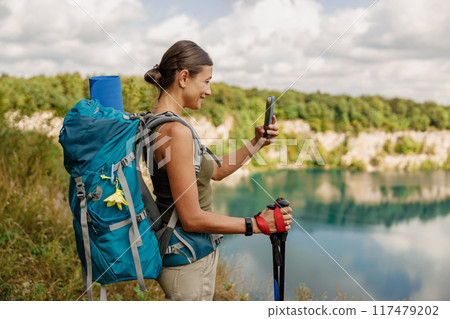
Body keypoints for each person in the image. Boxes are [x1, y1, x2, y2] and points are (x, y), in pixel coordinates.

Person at [144, 40, 293, 301]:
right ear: (183, 77)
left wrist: (257, 142)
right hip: (188, 263)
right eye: (206, 81)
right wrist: (257, 225)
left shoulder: (158, 121)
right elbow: (191, 218)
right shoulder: (176, 131)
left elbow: (217, 170)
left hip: (184, 256)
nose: (209, 91)